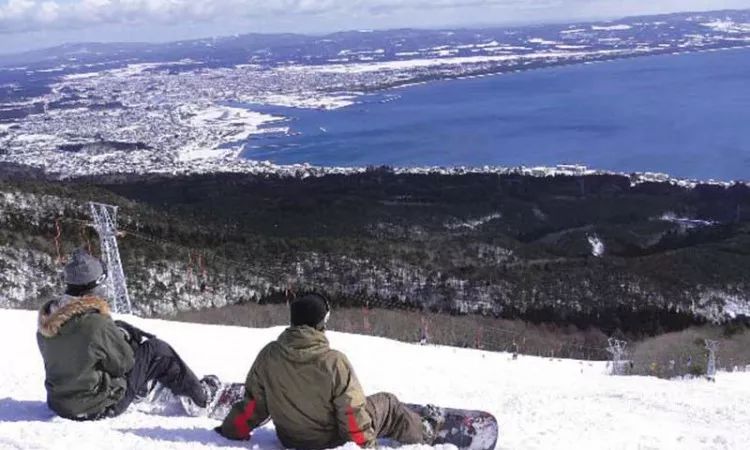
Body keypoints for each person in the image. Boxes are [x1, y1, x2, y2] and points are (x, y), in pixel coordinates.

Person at [215, 293, 444, 449]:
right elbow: (352, 414)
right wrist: (366, 447)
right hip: (329, 441)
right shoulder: (333, 362)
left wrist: (231, 429)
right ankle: (425, 432)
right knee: (389, 403)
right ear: (320, 324)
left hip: (289, 439)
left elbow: (253, 405)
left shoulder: (269, 355)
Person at [36, 248, 217, 421]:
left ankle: (144, 386)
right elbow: (124, 364)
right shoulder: (96, 324)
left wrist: (120, 334)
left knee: (120, 328)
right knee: (157, 350)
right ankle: (201, 398)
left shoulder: (49, 321)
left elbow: (75, 354)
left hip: (60, 403)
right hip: (95, 407)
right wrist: (129, 344)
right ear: (95, 285)